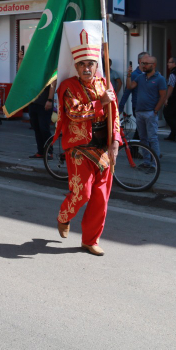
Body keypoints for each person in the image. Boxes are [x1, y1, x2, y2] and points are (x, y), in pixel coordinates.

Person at [55, 27, 121, 256]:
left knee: (101, 199)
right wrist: (99, 103)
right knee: (82, 193)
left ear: (96, 65)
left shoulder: (106, 84)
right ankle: (64, 216)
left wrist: (116, 142)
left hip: (103, 149)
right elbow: (73, 113)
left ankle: (90, 240)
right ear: (75, 66)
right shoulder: (68, 87)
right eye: (81, 64)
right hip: (79, 149)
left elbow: (115, 115)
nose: (86, 68)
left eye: (90, 64)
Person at [124, 55, 167, 167]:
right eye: (142, 63)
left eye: (146, 63)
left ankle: (155, 163)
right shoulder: (140, 77)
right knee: (143, 138)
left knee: (152, 138)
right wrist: (128, 75)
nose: (143, 65)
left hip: (150, 112)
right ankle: (146, 161)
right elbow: (129, 87)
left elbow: (163, 96)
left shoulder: (160, 79)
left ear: (154, 65)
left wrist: (156, 110)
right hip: (139, 112)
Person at [27, 82, 56, 158]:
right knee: (36, 128)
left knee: (44, 129)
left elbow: (52, 85)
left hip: (44, 104)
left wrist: (50, 100)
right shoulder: (33, 72)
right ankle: (40, 152)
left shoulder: (48, 71)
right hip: (33, 103)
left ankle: (49, 152)